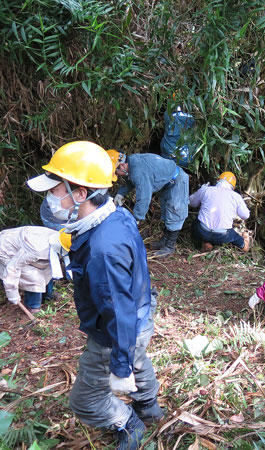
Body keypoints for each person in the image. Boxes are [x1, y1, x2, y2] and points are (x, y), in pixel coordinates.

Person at [27, 141, 163, 450]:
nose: (50, 197)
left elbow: (116, 311)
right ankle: (150, 405)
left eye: (55, 190)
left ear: (80, 194)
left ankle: (129, 423)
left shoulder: (103, 252)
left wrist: (119, 365)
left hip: (114, 330)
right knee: (137, 352)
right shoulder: (115, 214)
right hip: (141, 313)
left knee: (86, 400)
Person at [108, 150, 189, 257]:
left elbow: (144, 197)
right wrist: (121, 194)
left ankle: (169, 247)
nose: (117, 175)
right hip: (168, 183)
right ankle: (164, 241)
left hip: (177, 181)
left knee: (175, 213)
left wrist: (136, 218)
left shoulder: (138, 171)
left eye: (115, 172)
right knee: (166, 212)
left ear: (121, 165)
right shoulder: (133, 162)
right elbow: (131, 181)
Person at [0, 226, 66, 314]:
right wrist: (12, 294)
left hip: (25, 248)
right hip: (7, 250)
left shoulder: (59, 239)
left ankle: (48, 295)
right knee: (34, 276)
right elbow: (13, 268)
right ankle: (33, 305)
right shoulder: (37, 249)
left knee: (49, 268)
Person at [189, 172, 250, 252]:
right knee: (239, 241)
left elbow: (191, 203)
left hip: (202, 231)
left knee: (195, 224)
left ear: (218, 180)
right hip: (222, 236)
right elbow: (245, 215)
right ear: (233, 187)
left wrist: (201, 192)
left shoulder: (206, 190)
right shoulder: (236, 196)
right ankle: (245, 245)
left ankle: (206, 242)